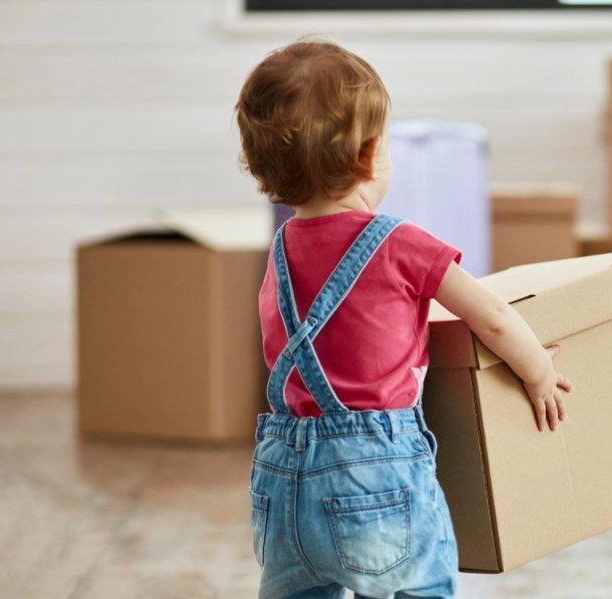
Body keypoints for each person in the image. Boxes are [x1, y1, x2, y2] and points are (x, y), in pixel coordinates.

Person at [236, 40, 572, 599]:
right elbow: (489, 316)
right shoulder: (398, 243)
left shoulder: (279, 252)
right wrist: (536, 368)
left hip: (280, 483)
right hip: (375, 475)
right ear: (370, 158)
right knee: (419, 588)